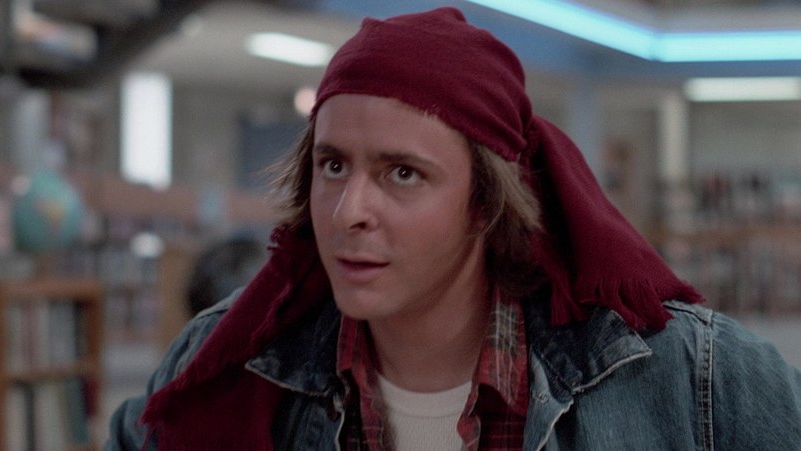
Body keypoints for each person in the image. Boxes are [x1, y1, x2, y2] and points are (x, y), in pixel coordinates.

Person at [106, 7, 801, 450]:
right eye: (333, 165)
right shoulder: (221, 364)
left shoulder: (687, 378)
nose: (349, 210)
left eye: (402, 173)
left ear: (485, 204)